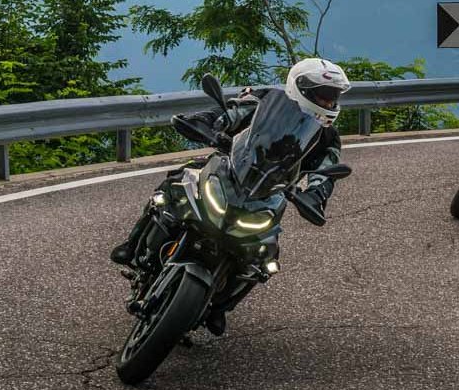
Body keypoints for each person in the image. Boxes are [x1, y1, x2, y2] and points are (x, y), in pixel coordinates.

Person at [108, 57, 352, 275]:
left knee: (264, 257)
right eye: (324, 94)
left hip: (272, 192)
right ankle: (132, 244)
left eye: (333, 96)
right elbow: (234, 111)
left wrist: (314, 195)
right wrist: (208, 120)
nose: (329, 101)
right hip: (233, 166)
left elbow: (326, 171)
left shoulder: (327, 136)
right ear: (301, 89)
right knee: (175, 182)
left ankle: (223, 299)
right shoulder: (266, 99)